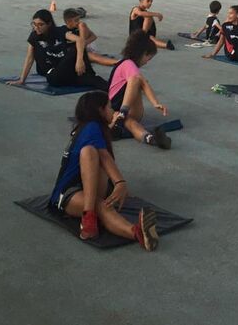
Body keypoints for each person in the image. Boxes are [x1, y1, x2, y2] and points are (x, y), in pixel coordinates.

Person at [49, 91, 159, 250]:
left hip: (88, 185)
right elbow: (104, 156)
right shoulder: (92, 128)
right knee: (100, 204)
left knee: (93, 157)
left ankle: (133, 230)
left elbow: (104, 161)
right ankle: (132, 232)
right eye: (109, 107)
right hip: (67, 193)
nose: (112, 110)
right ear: (100, 110)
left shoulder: (90, 127)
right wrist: (120, 183)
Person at [7, 9, 107, 89]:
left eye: (40, 24)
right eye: (34, 24)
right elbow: (29, 59)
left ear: (49, 24)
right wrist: (22, 80)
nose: (36, 28)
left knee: (95, 81)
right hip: (53, 74)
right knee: (72, 55)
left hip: (66, 69)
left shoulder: (59, 31)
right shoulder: (34, 37)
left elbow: (80, 40)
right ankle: (87, 76)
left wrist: (79, 61)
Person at [107, 31, 171, 148]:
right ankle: (146, 136)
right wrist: (155, 103)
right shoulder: (128, 64)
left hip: (119, 110)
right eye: (148, 58)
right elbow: (139, 82)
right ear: (142, 54)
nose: (147, 62)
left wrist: (156, 103)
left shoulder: (129, 65)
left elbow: (144, 84)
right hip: (118, 106)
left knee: (130, 122)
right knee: (131, 122)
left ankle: (150, 138)